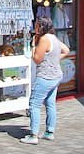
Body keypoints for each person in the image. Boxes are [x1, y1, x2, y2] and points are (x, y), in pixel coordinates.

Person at [20, 16, 69, 145]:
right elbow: (66, 50)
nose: (34, 27)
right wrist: (54, 59)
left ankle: (33, 135)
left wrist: (32, 46)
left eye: (36, 25)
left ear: (41, 26)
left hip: (45, 76)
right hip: (56, 75)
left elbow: (37, 59)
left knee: (34, 104)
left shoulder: (44, 39)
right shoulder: (54, 38)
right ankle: (49, 132)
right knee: (50, 103)